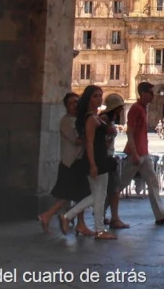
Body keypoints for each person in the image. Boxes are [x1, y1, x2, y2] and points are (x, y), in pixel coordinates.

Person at [59, 85, 118, 240]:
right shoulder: (91, 118)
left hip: (100, 158)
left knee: (98, 195)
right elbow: (89, 143)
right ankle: (69, 216)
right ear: (88, 99)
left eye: (100, 95)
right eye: (95, 96)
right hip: (97, 159)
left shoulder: (95, 116)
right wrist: (92, 164)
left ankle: (99, 229)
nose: (99, 98)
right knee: (98, 195)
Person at [119, 82, 164, 225]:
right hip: (135, 154)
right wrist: (134, 153)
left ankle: (161, 216)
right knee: (120, 185)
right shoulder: (135, 109)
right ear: (143, 93)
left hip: (144, 154)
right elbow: (130, 132)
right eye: (151, 93)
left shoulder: (143, 108)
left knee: (153, 183)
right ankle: (100, 211)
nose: (153, 95)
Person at [38, 92, 91, 234]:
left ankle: (78, 223)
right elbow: (76, 140)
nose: (75, 105)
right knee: (72, 195)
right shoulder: (66, 121)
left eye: (76, 101)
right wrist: (92, 139)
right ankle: (52, 215)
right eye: (71, 103)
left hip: (78, 162)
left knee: (77, 195)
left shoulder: (79, 120)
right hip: (71, 162)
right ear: (66, 107)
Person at [100, 93, 129, 230]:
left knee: (111, 189)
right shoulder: (104, 119)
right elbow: (101, 139)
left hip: (110, 155)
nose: (121, 110)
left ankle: (104, 215)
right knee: (114, 189)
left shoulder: (109, 119)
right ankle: (114, 219)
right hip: (105, 157)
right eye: (119, 107)